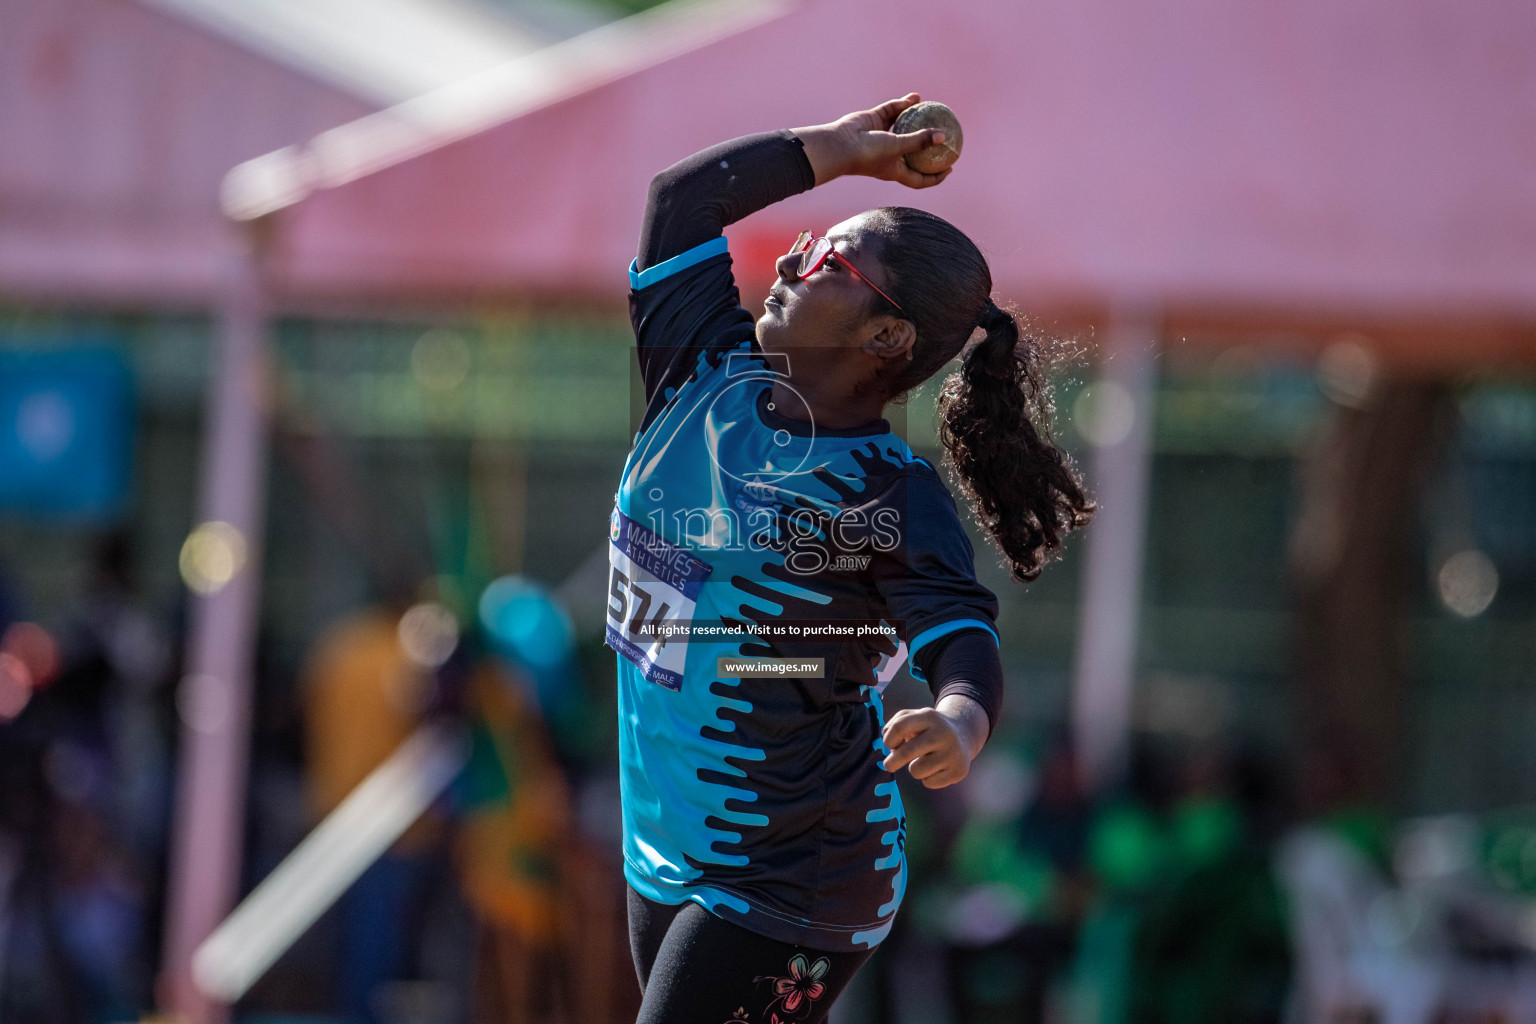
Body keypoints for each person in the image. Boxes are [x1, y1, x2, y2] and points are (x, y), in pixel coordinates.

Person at [608, 94, 1093, 1024]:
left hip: (794, 865)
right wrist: (841, 151)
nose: (788, 256)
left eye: (828, 259)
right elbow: (681, 202)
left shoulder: (883, 492)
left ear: (887, 338)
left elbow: (960, 636)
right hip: (665, 838)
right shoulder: (696, 373)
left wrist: (959, 722)